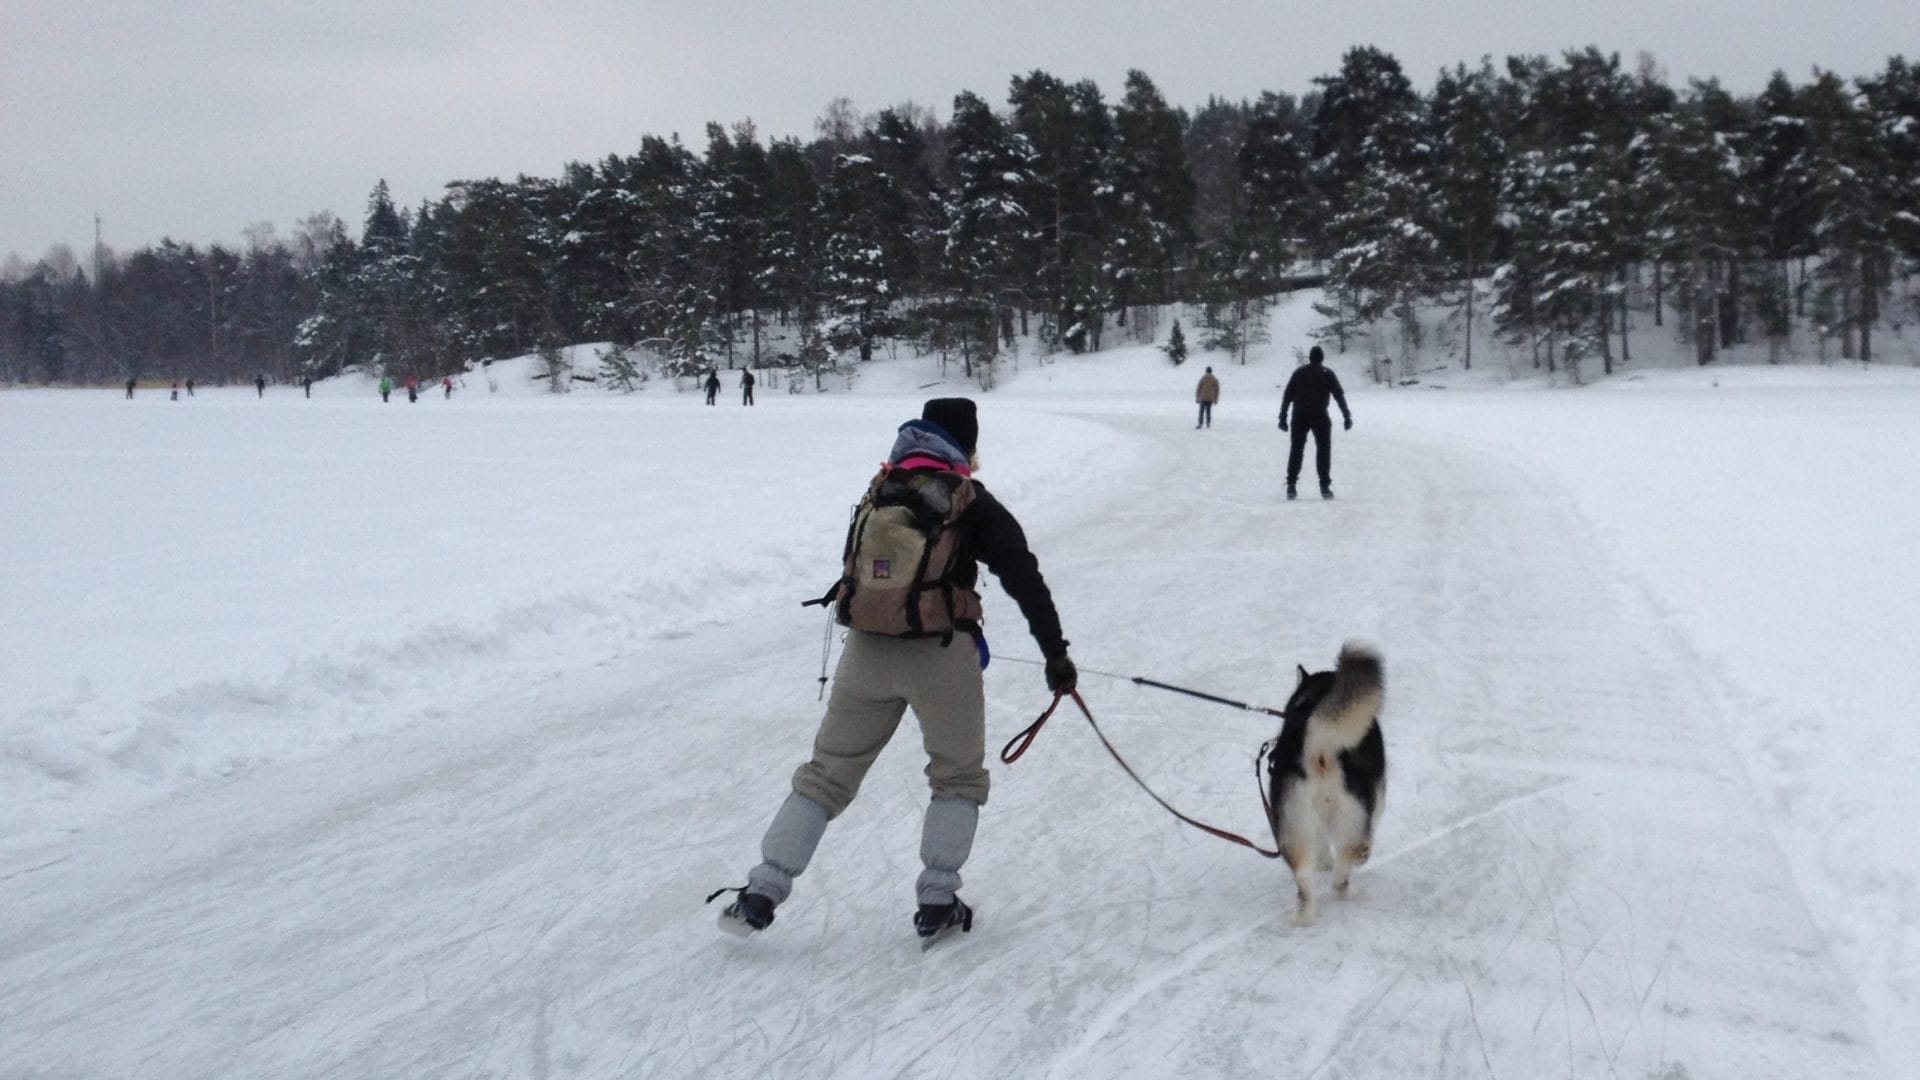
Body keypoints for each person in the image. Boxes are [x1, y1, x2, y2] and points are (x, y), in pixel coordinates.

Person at [717, 397, 1077, 943]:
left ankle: (761, 891)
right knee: (956, 776)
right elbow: (1023, 576)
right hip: (940, 656)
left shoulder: (881, 490)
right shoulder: (969, 501)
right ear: (967, 443)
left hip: (865, 653)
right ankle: (936, 899)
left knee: (826, 774)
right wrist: (1055, 654)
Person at [1278, 346, 1353, 500]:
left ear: (1310, 358)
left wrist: (1282, 417)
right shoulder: (1327, 374)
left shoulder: (1299, 373)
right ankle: (1324, 486)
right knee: (1323, 450)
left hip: (1299, 415)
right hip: (1320, 416)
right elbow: (1339, 396)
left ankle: (1291, 486)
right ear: (1322, 358)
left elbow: (1287, 395)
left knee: (1296, 449)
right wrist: (1346, 416)